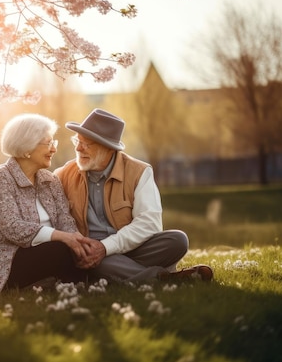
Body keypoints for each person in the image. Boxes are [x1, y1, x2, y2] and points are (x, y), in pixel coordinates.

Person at [54, 108, 213, 283]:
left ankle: (117, 271)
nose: (78, 147)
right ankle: (164, 279)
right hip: (90, 252)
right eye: (77, 140)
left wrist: (106, 247)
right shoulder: (63, 174)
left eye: (87, 143)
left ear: (108, 147)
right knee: (98, 262)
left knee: (177, 240)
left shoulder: (139, 172)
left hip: (130, 247)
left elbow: (149, 223)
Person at [0, 113, 88, 292]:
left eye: (54, 143)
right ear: (26, 148)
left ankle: (72, 285)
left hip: (42, 252)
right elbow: (12, 227)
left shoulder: (50, 180)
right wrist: (62, 237)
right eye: (48, 143)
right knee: (60, 250)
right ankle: (68, 285)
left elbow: (64, 219)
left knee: (79, 252)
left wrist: (78, 241)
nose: (54, 149)